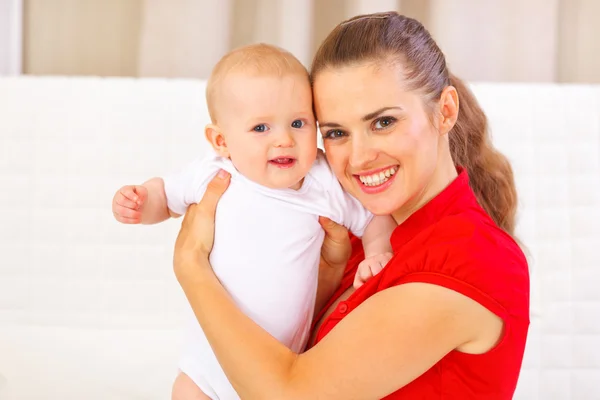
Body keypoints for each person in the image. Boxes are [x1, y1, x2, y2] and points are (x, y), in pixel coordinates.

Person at [172, 11, 530, 399]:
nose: (358, 158)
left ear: (444, 111)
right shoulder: (359, 232)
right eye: (337, 133)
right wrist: (327, 277)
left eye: (383, 123)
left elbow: (291, 394)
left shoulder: (473, 259)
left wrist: (192, 268)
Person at [111, 43, 396, 400]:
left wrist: (377, 252)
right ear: (221, 141)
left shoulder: (323, 182)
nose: (284, 139)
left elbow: (374, 218)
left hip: (277, 364)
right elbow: (165, 196)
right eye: (261, 127)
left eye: (298, 122)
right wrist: (140, 202)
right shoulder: (214, 173)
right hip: (206, 365)